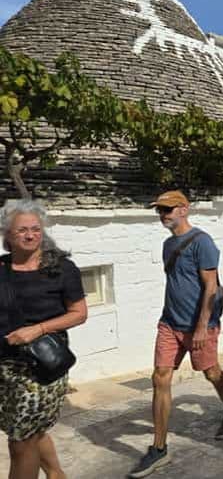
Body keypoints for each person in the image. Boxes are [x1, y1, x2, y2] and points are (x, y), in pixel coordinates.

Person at [130, 191, 223, 479]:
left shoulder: (203, 242)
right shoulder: (168, 245)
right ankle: (159, 448)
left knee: (212, 373)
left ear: (183, 209)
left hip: (200, 324)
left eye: (167, 209)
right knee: (160, 377)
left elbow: (210, 287)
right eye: (159, 210)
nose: (162, 215)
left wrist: (202, 327)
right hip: (170, 323)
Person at [0, 200, 87, 479]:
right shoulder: (1, 268)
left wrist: (37, 329)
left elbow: (79, 313)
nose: (30, 235)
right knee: (29, 431)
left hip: (42, 365)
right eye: (22, 230)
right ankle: (55, 473)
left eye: (35, 229)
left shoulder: (61, 268)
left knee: (21, 442)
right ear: (7, 234)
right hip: (5, 364)